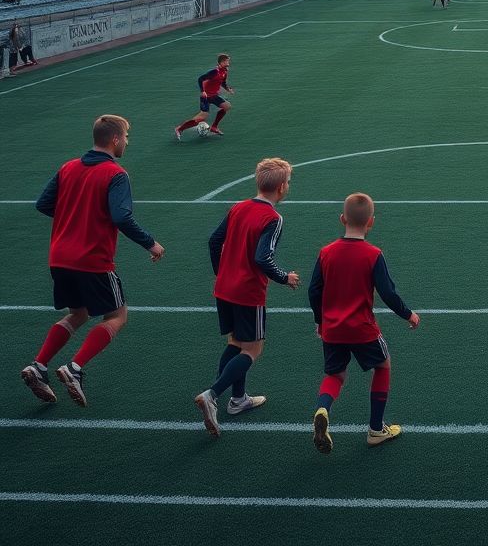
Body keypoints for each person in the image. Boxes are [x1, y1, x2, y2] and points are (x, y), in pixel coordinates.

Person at [20, 115, 165, 406]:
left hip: (60, 257)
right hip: (92, 259)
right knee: (117, 316)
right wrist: (151, 244)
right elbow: (121, 216)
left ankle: (38, 366)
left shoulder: (68, 167)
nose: (127, 141)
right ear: (114, 139)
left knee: (79, 313)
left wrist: (73, 220)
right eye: (126, 136)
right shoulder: (116, 174)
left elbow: (43, 204)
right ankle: (74, 369)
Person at [194, 157, 300, 437]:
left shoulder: (238, 207)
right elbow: (263, 258)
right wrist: (284, 277)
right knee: (252, 349)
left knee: (235, 342)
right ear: (280, 188)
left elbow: (214, 241)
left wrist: (223, 271)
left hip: (225, 287)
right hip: (248, 291)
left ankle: (237, 399)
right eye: (287, 182)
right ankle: (213, 394)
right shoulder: (273, 218)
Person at [309, 192, 420, 453]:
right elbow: (388, 293)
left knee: (334, 374)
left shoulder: (326, 253)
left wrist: (320, 321)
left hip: (333, 329)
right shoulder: (373, 254)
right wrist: (408, 314)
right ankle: (375, 429)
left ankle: (323, 408)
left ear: (342, 219)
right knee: (383, 366)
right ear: (371, 222)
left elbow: (314, 291)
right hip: (362, 329)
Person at [174, 53, 235, 140]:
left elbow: (223, 82)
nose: (228, 63)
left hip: (214, 95)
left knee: (227, 106)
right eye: (226, 61)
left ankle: (214, 127)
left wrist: (228, 89)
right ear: (221, 62)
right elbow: (200, 79)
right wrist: (203, 91)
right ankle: (179, 129)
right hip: (206, 96)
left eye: (228, 61)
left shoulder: (225, 71)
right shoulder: (214, 72)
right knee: (202, 117)